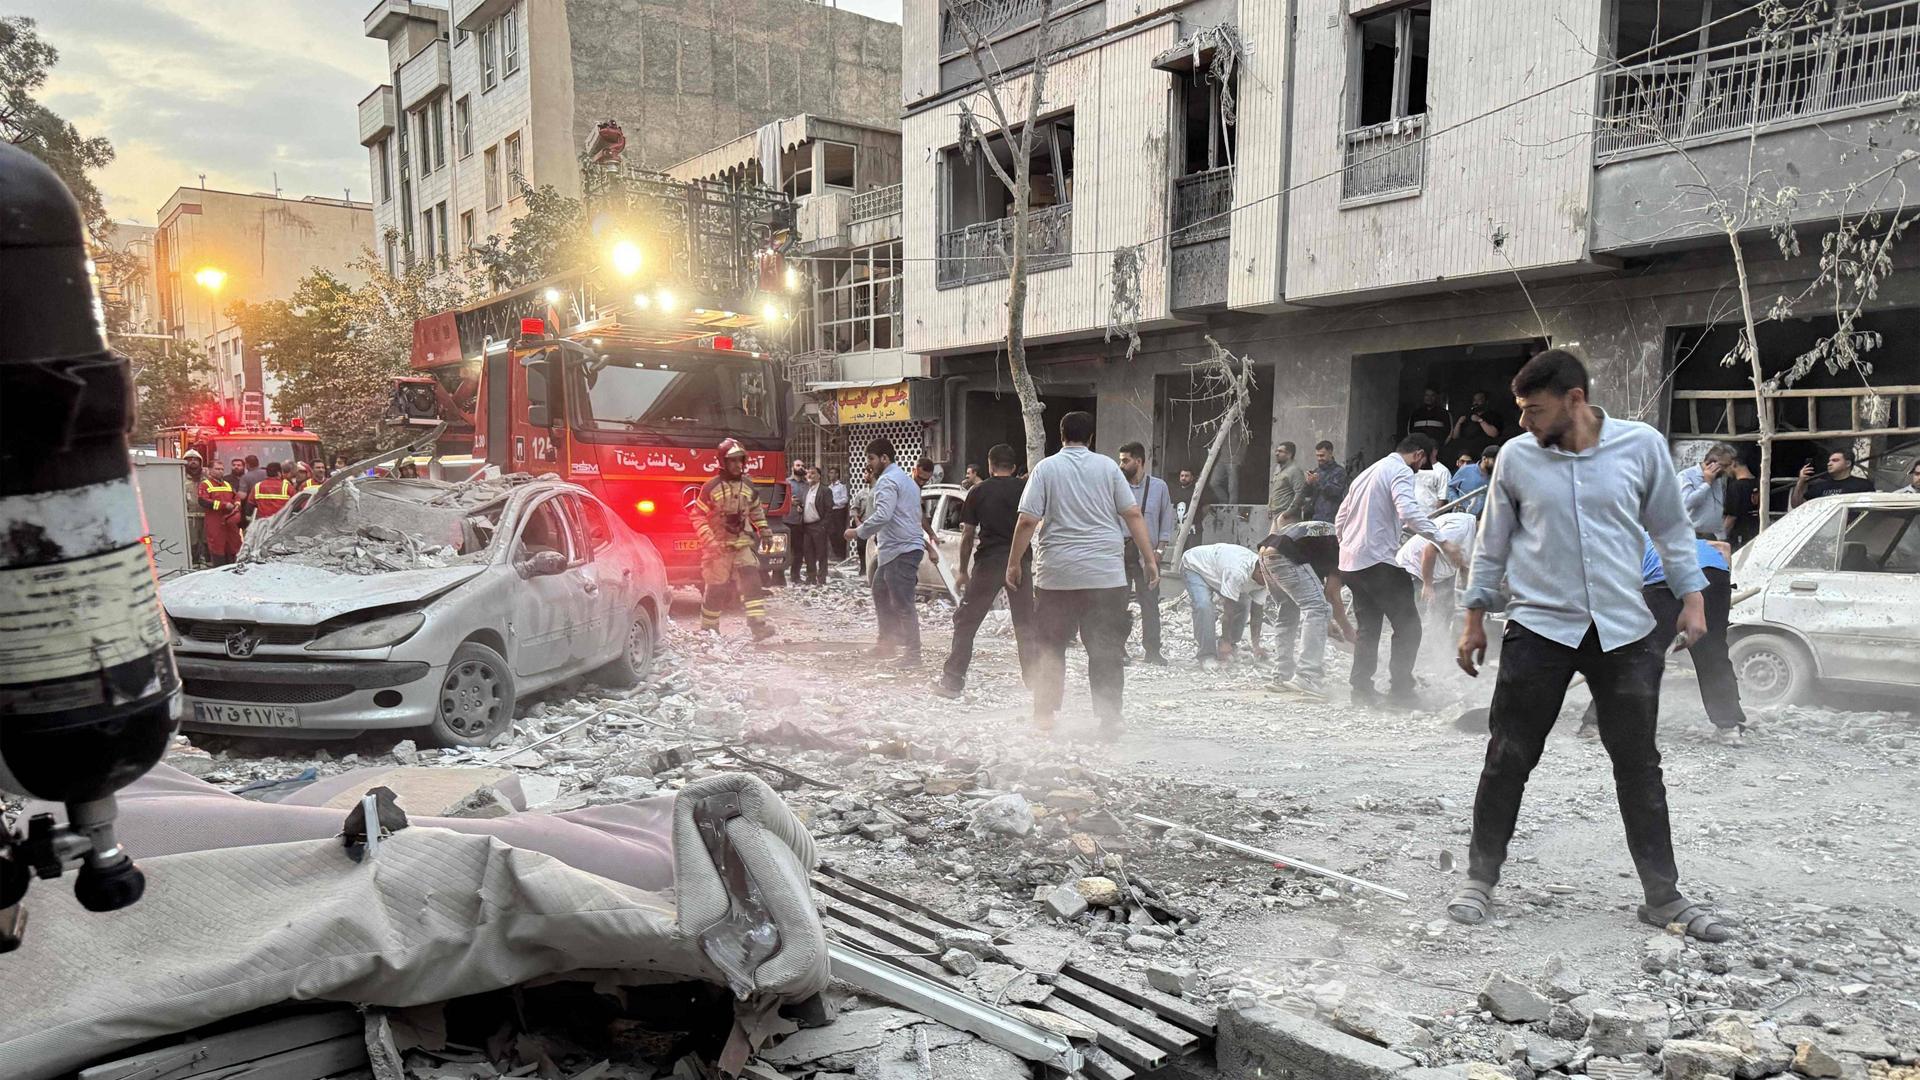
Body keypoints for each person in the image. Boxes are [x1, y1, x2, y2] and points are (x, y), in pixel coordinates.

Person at [1452, 348, 1729, 943]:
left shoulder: (1641, 446)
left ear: (1574, 399)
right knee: (1508, 756)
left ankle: (1662, 896)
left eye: (1533, 410)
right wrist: (1474, 615)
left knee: (1639, 765)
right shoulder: (1519, 459)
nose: (1523, 423)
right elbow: (1491, 541)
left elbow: (1671, 528)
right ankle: (1480, 879)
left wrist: (1693, 595)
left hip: (1623, 631)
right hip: (1539, 627)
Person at [1007, 411, 1159, 732]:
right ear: (1091, 437)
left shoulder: (1045, 469)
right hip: (1105, 576)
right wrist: (1149, 560)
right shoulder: (1108, 467)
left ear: (1060, 434)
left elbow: (1027, 521)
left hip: (1057, 576)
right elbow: (1132, 513)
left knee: (1051, 645)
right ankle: (1109, 716)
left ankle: (1045, 715)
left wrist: (1013, 563)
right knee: (1105, 647)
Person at [1579, 536, 1747, 744]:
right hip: (1715, 576)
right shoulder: (1678, 537)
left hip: (1665, 579)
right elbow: (1724, 547)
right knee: (1712, 653)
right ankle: (1729, 727)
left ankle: (1595, 723)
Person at [1335, 433, 1462, 708]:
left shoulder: (1368, 473)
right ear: (1418, 454)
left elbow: (1341, 517)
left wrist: (1346, 546)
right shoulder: (1400, 471)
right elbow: (1408, 511)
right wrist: (1442, 540)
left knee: (1368, 628)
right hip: (1378, 562)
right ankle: (1401, 691)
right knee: (1409, 627)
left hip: (1351, 564)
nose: (1421, 469)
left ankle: (1361, 691)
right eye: (1425, 462)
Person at [934, 444, 1037, 697]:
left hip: (989, 563)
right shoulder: (1026, 490)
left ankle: (952, 682)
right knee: (1025, 623)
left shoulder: (978, 491)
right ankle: (1037, 683)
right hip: (1019, 563)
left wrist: (962, 572)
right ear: (1013, 467)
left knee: (966, 621)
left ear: (990, 465)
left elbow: (968, 535)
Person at [849, 437, 932, 665]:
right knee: (880, 591)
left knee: (902, 602)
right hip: (896, 549)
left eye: (872, 459)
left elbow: (883, 515)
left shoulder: (887, 482)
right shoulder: (906, 480)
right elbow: (911, 516)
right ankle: (887, 643)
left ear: (885, 458)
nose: (869, 464)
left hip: (900, 550)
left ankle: (913, 655)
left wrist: (858, 532)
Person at [1258, 513, 1355, 697]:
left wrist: (1327, 623)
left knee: (1287, 613)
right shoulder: (1346, 545)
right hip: (1286, 555)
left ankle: (1281, 675)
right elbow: (1331, 596)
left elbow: (1315, 591)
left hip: (1266, 554)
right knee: (1318, 609)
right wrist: (1349, 632)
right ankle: (1307, 676)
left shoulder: (1326, 537)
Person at [690, 439, 777, 641]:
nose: (738, 465)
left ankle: (758, 627)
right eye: (733, 461)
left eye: (741, 461)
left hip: (742, 544)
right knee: (717, 588)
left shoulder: (747, 484)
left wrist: (764, 530)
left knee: (752, 582)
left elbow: (755, 509)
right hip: (718, 546)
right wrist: (708, 539)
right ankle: (709, 630)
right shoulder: (711, 487)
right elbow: (697, 515)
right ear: (723, 462)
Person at [1119, 442, 1174, 665]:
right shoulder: (1116, 485)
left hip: (1147, 555)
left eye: (1125, 460)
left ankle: (1152, 650)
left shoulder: (1159, 487)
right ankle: (1118, 649)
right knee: (1117, 603)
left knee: (1150, 604)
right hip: (1119, 553)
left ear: (1139, 461)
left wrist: (1159, 551)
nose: (1120, 465)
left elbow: (1166, 521)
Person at [1179, 544, 1267, 668]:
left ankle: (1231, 645)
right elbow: (1229, 610)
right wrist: (1225, 640)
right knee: (1204, 606)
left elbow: (1257, 613)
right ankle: (1206, 655)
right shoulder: (1237, 572)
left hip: (1218, 572)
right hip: (1194, 566)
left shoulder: (1266, 577)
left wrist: (1256, 646)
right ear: (1259, 571)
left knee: (1243, 604)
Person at [1397, 510, 1479, 637]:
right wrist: (1428, 585)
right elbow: (1429, 551)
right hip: (1415, 569)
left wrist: (1469, 596)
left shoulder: (1481, 539)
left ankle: (1435, 647)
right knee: (1414, 616)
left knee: (1444, 612)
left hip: (1440, 575)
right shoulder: (1461, 527)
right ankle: (1410, 649)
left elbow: (1465, 568)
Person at [1679, 443, 1736, 539]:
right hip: (1691, 536)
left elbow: (1718, 508)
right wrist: (1706, 484)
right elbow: (1685, 504)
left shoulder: (1718, 480)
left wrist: (1721, 536)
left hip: (1714, 535)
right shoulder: (1686, 476)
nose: (1727, 470)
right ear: (1711, 463)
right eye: (1724, 466)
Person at [1790, 448, 1874, 507]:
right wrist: (1801, 481)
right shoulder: (1820, 486)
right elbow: (1797, 505)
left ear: (1848, 463)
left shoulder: (1863, 485)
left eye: (1835, 460)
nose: (1829, 464)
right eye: (1829, 461)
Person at [197, 464, 243, 566]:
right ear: (210, 470)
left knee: (234, 546)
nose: (220, 471)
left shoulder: (227, 484)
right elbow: (203, 501)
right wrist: (223, 505)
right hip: (215, 522)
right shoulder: (205, 485)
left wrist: (237, 504)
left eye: (222, 469)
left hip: (230, 522)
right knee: (217, 547)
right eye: (217, 469)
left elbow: (236, 497)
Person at [798, 466, 832, 584]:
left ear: (819, 476)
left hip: (818, 526)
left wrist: (823, 526)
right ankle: (811, 577)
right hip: (806, 526)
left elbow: (829, 511)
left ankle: (822, 578)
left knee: (821, 553)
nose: (809, 476)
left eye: (813, 473)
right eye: (808, 473)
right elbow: (806, 506)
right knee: (808, 553)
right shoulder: (806, 490)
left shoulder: (825, 490)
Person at [1302, 441, 1349, 522]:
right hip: (1314, 517)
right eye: (1317, 456)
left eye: (1322, 455)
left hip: (1330, 517)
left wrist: (1318, 481)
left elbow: (1335, 492)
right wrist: (1308, 483)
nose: (1319, 458)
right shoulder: (1317, 471)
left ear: (1330, 454)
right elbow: (1306, 494)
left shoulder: (1339, 472)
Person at [1449, 390, 1504, 458]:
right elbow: (1455, 436)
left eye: (1479, 400)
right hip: (1465, 450)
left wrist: (1480, 420)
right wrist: (1459, 423)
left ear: (1486, 402)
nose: (1476, 402)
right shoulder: (1467, 415)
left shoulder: (1493, 415)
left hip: (1483, 449)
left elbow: (1494, 434)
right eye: (1475, 400)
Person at [1447, 445, 1497, 515]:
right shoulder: (1466, 470)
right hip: (1463, 517)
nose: (1497, 464)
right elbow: (1450, 488)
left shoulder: (1497, 476)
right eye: (1495, 461)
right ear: (1485, 459)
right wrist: (1456, 503)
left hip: (1485, 520)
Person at [782, 459, 809, 585]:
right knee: (784, 550)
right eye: (798, 465)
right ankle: (779, 575)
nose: (800, 467)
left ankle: (795, 576)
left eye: (802, 465)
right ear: (792, 467)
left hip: (801, 522)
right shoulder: (786, 483)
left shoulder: (807, 484)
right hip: (787, 520)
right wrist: (790, 502)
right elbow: (781, 499)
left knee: (799, 551)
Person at [1722, 459, 1760, 549]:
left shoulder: (1735, 487)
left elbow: (1732, 517)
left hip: (1740, 536)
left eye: (1726, 467)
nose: (1725, 471)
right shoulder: (1760, 483)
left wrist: (1721, 538)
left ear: (1734, 464)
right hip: (1757, 531)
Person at [1267, 442, 1306, 521]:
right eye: (1276, 451)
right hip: (1276, 514)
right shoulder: (1278, 470)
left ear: (1289, 455)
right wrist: (1269, 507)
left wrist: (1288, 513)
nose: (1277, 454)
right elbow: (1274, 491)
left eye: (1280, 451)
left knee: (1283, 534)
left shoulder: (1295, 471)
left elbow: (1300, 493)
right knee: (1273, 534)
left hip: (1287, 516)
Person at [1171, 466, 1207, 546]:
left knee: (1193, 554)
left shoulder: (1197, 491)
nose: (1183, 478)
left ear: (1192, 478)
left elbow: (1206, 506)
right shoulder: (1177, 491)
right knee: (1181, 555)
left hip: (1194, 530)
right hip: (1181, 529)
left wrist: (1197, 518)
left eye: (1186, 476)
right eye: (1182, 476)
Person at [827, 467, 851, 560]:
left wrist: (835, 502)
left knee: (839, 533)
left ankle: (842, 555)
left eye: (833, 473)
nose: (830, 475)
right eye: (830, 473)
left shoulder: (841, 487)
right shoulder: (829, 487)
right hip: (831, 512)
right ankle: (836, 554)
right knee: (831, 533)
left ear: (837, 474)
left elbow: (845, 499)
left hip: (839, 512)